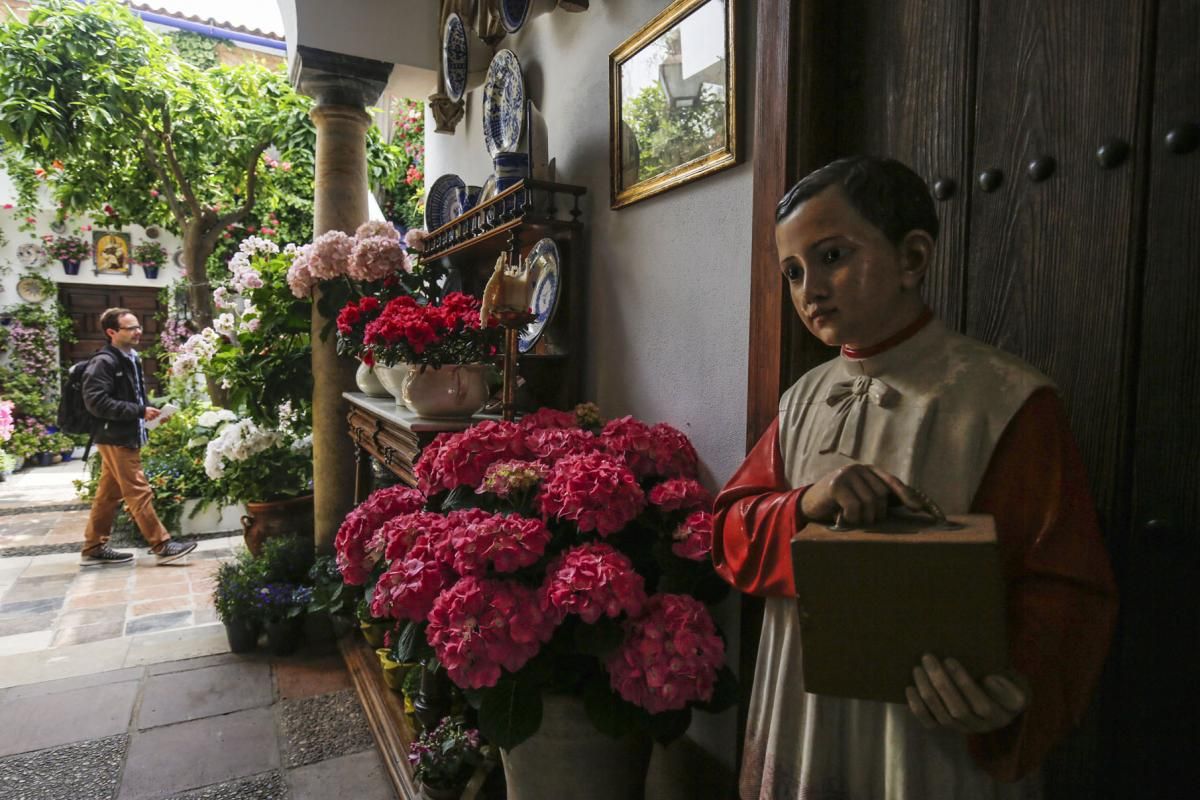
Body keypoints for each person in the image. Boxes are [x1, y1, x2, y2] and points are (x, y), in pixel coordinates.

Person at [712, 157, 1118, 799]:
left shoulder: (1006, 400)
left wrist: (1016, 685)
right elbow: (731, 529)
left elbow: (1063, 584)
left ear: (912, 257)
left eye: (833, 256)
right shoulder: (800, 401)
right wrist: (805, 506)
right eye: (792, 271)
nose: (809, 288)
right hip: (804, 697)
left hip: (930, 716)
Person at [79, 307, 196, 566]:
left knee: (108, 495)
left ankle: (93, 547)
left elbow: (133, 397)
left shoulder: (131, 357)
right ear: (111, 332)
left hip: (125, 432)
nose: (138, 332)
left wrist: (151, 410)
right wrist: (139, 410)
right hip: (115, 436)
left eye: (138, 326)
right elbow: (96, 402)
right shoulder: (104, 361)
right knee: (138, 490)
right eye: (130, 328)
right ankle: (162, 544)